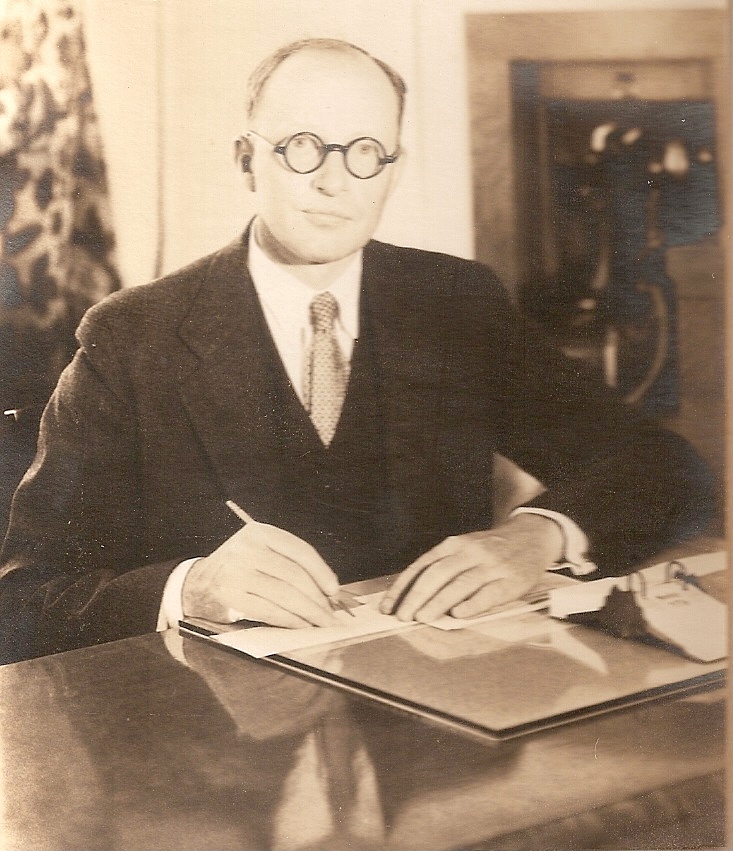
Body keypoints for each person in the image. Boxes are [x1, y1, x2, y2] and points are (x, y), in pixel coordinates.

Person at [0, 38, 714, 664]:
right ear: (247, 160)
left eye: (366, 152)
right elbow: (22, 600)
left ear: (394, 169)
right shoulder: (132, 337)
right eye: (302, 146)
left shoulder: (456, 303)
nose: (334, 181)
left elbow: (662, 467)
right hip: (220, 746)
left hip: (441, 725)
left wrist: (538, 535)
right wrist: (190, 587)